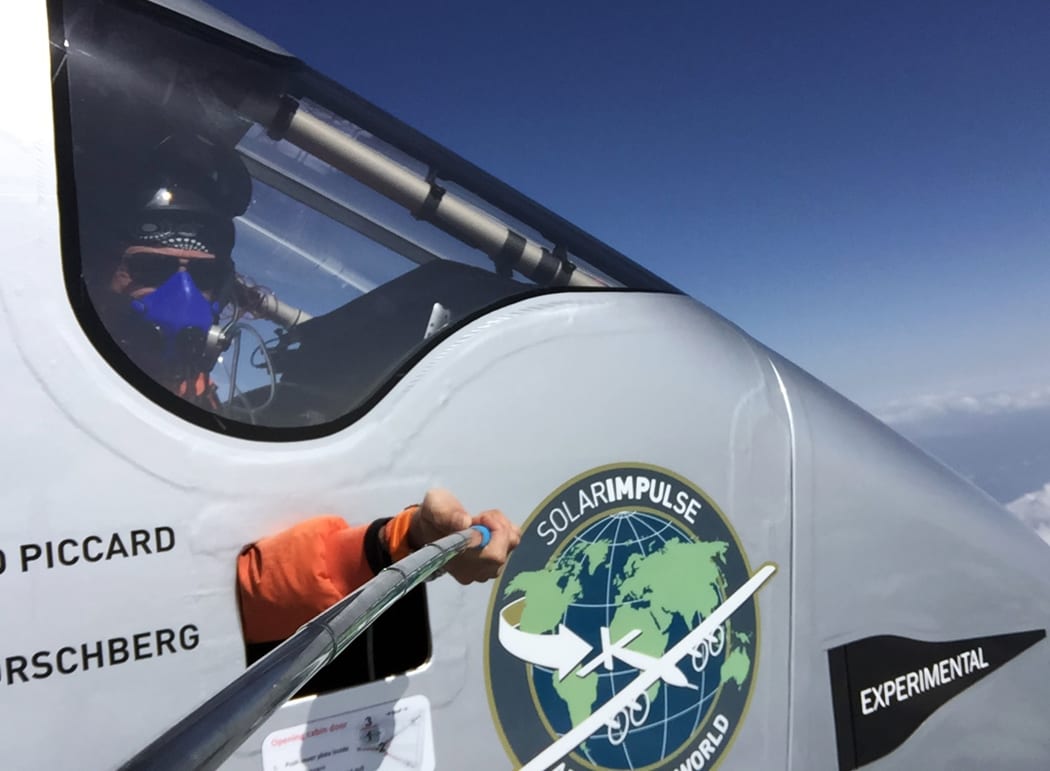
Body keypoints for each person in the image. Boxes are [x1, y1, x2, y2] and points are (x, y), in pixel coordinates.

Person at [93, 135, 520, 645]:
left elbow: (244, 577)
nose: (182, 297)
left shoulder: (203, 412)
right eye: (152, 270)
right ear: (101, 275)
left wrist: (407, 540)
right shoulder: (81, 414)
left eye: (202, 276)